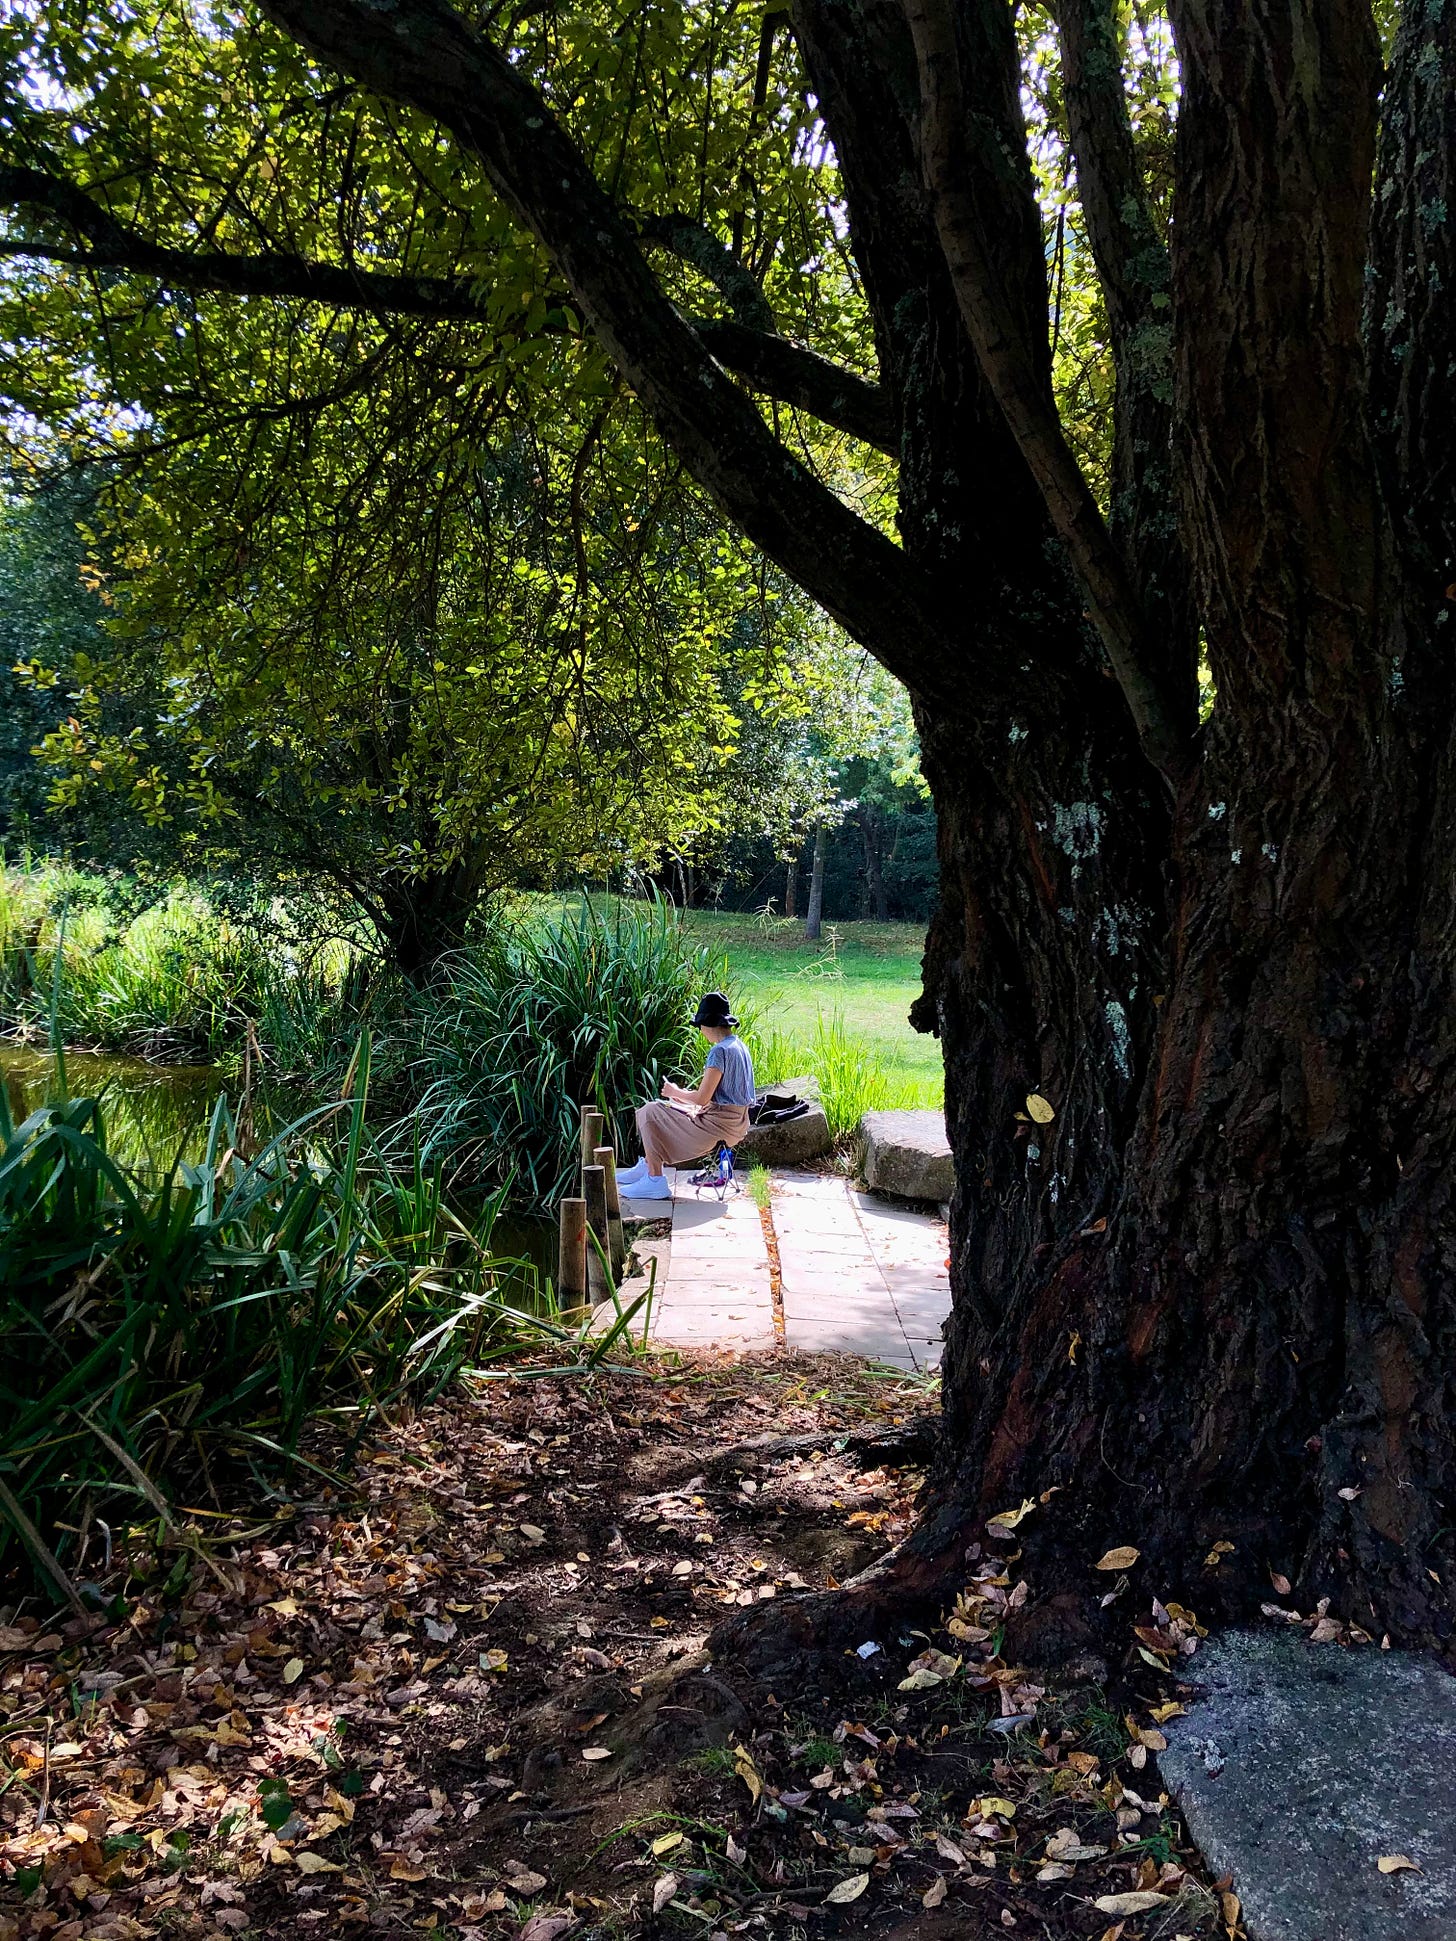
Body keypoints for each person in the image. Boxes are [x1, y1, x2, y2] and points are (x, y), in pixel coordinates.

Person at [616, 992, 755, 1201]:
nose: (701, 1032)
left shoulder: (719, 1052)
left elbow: (701, 1099)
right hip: (737, 1124)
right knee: (665, 1108)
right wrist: (680, 1099)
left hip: (717, 1126)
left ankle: (654, 1178)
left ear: (707, 1024)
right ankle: (647, 1165)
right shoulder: (739, 1046)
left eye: (700, 1027)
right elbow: (717, 1097)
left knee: (648, 1111)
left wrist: (674, 1091)